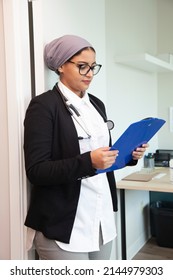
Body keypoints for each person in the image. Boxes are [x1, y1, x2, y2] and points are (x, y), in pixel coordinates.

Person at [24, 34, 148, 260]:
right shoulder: (44, 106)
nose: (90, 73)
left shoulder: (96, 104)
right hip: (64, 223)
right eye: (82, 67)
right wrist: (88, 161)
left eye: (93, 67)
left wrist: (130, 155)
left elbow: (104, 156)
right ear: (61, 65)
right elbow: (37, 171)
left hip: (101, 219)